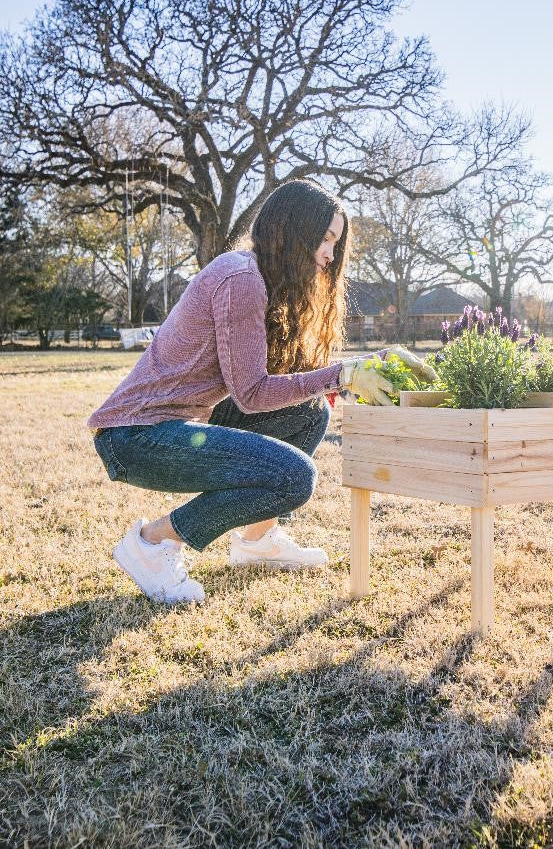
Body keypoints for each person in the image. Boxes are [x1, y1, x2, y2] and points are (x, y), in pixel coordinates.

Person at [89, 179, 436, 604]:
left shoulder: (254, 276)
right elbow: (252, 394)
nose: (330, 254)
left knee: (309, 413)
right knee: (295, 477)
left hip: (177, 424)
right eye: (325, 240)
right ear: (293, 230)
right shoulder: (240, 278)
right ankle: (153, 543)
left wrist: (373, 361)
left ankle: (258, 541)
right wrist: (343, 375)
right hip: (137, 436)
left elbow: (277, 385)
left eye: (335, 243)